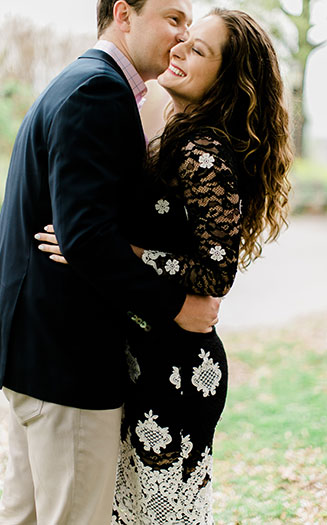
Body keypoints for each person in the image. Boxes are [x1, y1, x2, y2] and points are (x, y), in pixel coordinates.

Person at [35, 8, 293, 522]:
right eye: (183, 39)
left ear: (229, 80)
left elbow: (216, 273)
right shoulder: (177, 135)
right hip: (148, 356)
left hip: (177, 369)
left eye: (198, 49)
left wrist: (119, 251)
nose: (178, 49)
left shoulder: (205, 149)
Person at [0, 1, 227, 523]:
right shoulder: (100, 92)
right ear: (123, 13)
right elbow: (86, 238)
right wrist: (177, 306)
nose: (181, 34)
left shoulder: (77, 81)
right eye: (173, 18)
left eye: (188, 24)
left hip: (34, 359)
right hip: (68, 366)